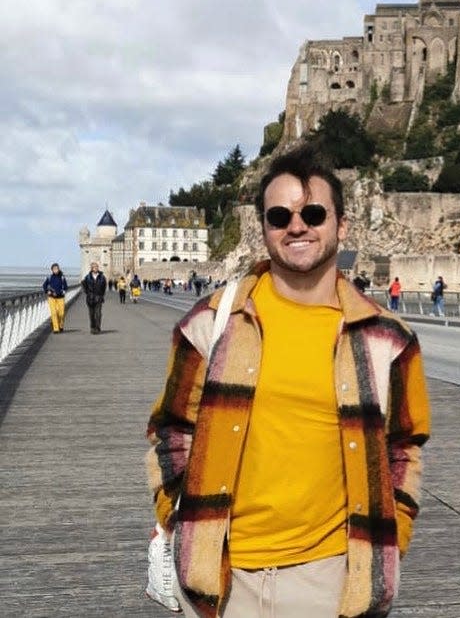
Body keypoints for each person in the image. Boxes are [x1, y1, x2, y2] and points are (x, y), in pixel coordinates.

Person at [146, 144, 431, 618]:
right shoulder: (212, 322)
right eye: (279, 216)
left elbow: (405, 445)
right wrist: (179, 519)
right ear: (263, 230)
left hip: (332, 579)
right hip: (220, 577)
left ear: (341, 225)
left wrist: (390, 537)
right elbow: (171, 427)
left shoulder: (388, 339)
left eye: (313, 213)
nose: (296, 226)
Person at [81, 261, 107, 333]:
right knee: (92, 314)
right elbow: (84, 285)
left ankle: (97, 328)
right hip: (90, 298)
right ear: (91, 268)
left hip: (98, 297)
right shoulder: (87, 277)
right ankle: (92, 327)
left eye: (97, 267)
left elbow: (104, 287)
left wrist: (101, 295)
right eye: (94, 267)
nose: (96, 268)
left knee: (98, 314)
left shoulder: (102, 277)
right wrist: (87, 293)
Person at [42, 263, 68, 333]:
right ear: (52, 270)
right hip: (52, 298)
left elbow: (66, 286)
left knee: (61, 313)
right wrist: (47, 291)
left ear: (59, 269)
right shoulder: (49, 277)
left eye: (57, 268)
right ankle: (56, 329)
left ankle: (61, 325)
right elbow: (44, 285)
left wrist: (63, 291)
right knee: (53, 313)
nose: (56, 270)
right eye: (54, 269)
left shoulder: (62, 277)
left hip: (60, 297)